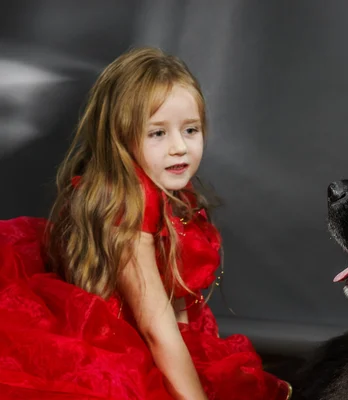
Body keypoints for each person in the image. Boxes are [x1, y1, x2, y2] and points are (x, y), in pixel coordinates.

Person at [0, 47, 292, 400]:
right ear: (121, 138)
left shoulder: (173, 192)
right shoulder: (129, 205)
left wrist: (197, 362)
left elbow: (177, 303)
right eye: (157, 133)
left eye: (190, 130)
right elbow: (156, 327)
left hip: (148, 327)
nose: (179, 147)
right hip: (116, 337)